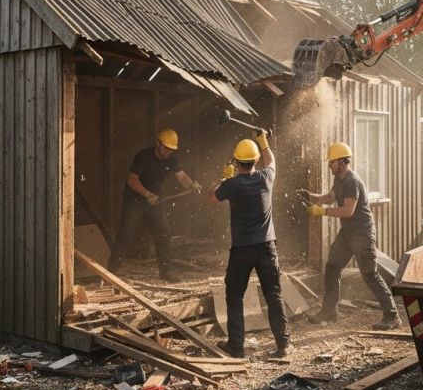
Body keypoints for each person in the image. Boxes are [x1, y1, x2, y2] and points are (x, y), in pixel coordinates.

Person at [298, 142, 402, 330]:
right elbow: (330, 197)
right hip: (348, 233)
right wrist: (311, 196)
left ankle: (392, 316)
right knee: (332, 267)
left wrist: (322, 213)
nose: (329, 165)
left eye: (332, 162)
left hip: (362, 232)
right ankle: (330, 311)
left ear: (342, 162)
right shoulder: (339, 179)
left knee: (370, 274)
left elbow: (348, 211)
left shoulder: (351, 181)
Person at [208, 130, 292, 359]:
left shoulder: (232, 185)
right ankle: (283, 346)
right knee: (273, 294)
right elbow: (271, 161)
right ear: (255, 161)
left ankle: (236, 347)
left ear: (236, 162)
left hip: (242, 250)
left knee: (235, 295)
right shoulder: (266, 178)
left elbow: (212, 197)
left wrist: (224, 178)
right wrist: (263, 141)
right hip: (266, 247)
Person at [108, 128, 202, 282]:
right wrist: (147, 194)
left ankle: (166, 272)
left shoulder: (171, 159)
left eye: (171, 149)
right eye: (166, 148)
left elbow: (182, 176)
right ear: (158, 143)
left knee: (164, 233)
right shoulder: (143, 156)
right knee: (126, 235)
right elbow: (131, 180)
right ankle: (111, 272)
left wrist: (192, 186)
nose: (167, 152)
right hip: (135, 201)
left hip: (154, 202)